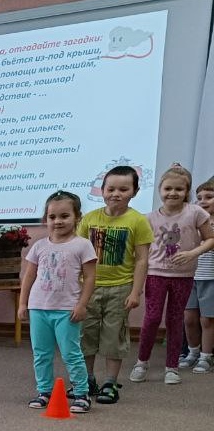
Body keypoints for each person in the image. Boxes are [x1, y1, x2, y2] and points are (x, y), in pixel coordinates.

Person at [129, 164, 214, 385]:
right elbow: (142, 252)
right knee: (152, 317)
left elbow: (210, 239)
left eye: (179, 189)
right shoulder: (149, 218)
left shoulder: (195, 212)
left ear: (186, 191)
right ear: (160, 190)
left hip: (184, 276)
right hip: (156, 274)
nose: (173, 193)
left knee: (175, 319)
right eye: (168, 188)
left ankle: (171, 367)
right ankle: (142, 362)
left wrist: (192, 253)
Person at [76, 165, 153, 404]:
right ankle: (87, 379)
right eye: (110, 188)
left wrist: (135, 292)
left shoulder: (137, 221)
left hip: (120, 287)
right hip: (88, 287)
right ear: (102, 190)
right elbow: (77, 254)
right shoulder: (89, 219)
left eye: (123, 189)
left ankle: (110, 382)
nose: (116, 193)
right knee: (86, 334)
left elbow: (141, 260)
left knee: (113, 336)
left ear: (135, 192)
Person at [18, 191, 97, 414]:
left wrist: (82, 305)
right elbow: (29, 276)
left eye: (64, 216)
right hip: (38, 308)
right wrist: (23, 304)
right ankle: (45, 391)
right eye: (52, 217)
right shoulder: (39, 246)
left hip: (66, 309)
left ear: (77, 217)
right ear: (46, 219)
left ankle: (81, 393)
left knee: (71, 352)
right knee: (41, 353)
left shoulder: (82, 245)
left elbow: (90, 277)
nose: (58, 221)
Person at [179, 177, 214, 372]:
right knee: (189, 318)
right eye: (199, 197)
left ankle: (206, 356)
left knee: (207, 319)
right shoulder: (193, 223)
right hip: (189, 276)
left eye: (209, 197)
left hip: (211, 278)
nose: (203, 201)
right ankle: (192, 352)